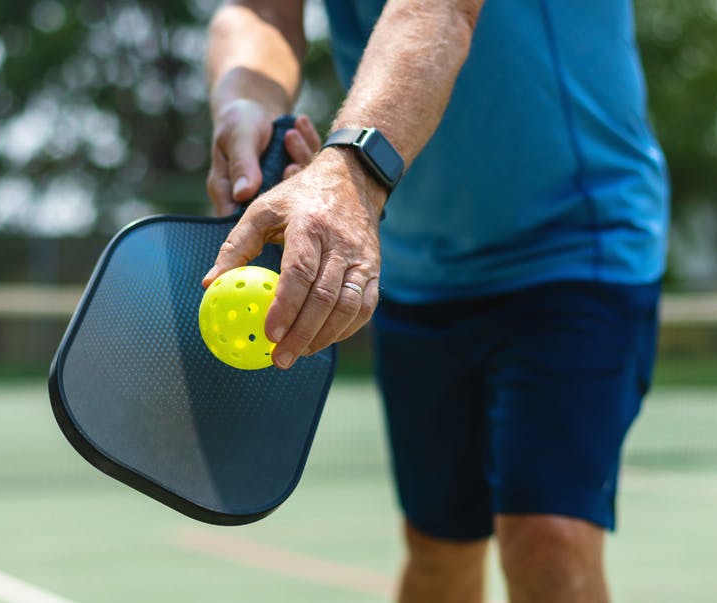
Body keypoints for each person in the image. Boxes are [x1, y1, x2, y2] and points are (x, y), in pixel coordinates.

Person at [203, 1, 668, 601]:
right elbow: (260, 12)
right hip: (421, 267)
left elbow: (439, 8)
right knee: (437, 543)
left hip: (576, 244)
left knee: (547, 536)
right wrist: (246, 104)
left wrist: (351, 168)